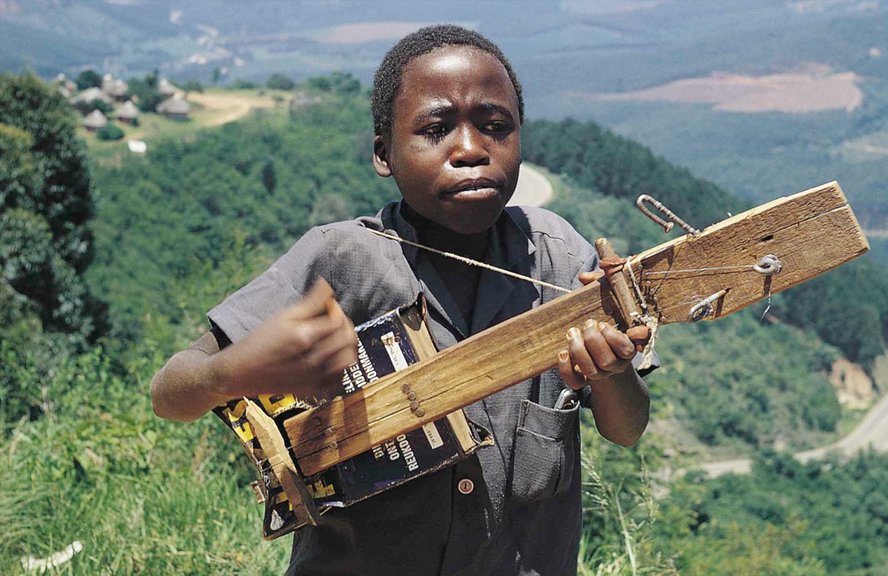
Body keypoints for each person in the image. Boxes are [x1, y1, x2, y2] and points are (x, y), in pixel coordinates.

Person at [150, 24, 650, 576]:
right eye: (436, 129)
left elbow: (626, 428)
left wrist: (612, 372)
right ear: (384, 154)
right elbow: (170, 392)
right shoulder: (340, 261)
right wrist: (232, 371)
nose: (470, 149)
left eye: (495, 126)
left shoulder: (557, 260)